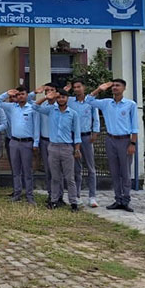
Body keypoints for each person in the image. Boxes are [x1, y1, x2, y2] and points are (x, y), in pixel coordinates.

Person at [86, 79, 139, 212]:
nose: (115, 88)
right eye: (113, 86)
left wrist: (133, 143)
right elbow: (88, 100)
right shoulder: (106, 103)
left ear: (124, 88)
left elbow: (135, 126)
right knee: (114, 171)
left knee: (125, 172)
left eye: (118, 85)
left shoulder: (130, 104)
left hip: (125, 140)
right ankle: (118, 199)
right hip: (110, 139)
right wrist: (99, 89)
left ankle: (126, 199)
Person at [34, 87, 81, 211]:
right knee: (55, 177)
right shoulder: (51, 110)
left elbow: (77, 133)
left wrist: (77, 149)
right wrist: (46, 97)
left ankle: (73, 202)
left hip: (67, 148)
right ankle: (54, 200)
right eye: (59, 97)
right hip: (53, 147)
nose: (61, 99)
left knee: (69, 178)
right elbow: (35, 107)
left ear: (67, 98)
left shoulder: (73, 114)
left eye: (63, 97)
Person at [0, 86, 41, 204]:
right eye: (18, 95)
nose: (20, 96)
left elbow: (36, 127)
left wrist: (36, 143)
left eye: (22, 94)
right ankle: (17, 193)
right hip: (14, 142)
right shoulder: (12, 107)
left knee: (27, 170)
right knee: (16, 170)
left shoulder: (32, 108)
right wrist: (7, 93)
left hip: (27, 143)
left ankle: (29, 195)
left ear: (27, 95)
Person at [65, 80, 101, 208]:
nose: (76, 89)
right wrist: (66, 89)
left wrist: (95, 132)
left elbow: (96, 118)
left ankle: (92, 196)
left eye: (79, 87)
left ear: (84, 87)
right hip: (73, 137)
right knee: (76, 168)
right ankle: (77, 195)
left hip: (86, 137)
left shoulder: (90, 101)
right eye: (74, 87)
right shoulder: (70, 101)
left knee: (91, 168)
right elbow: (59, 98)